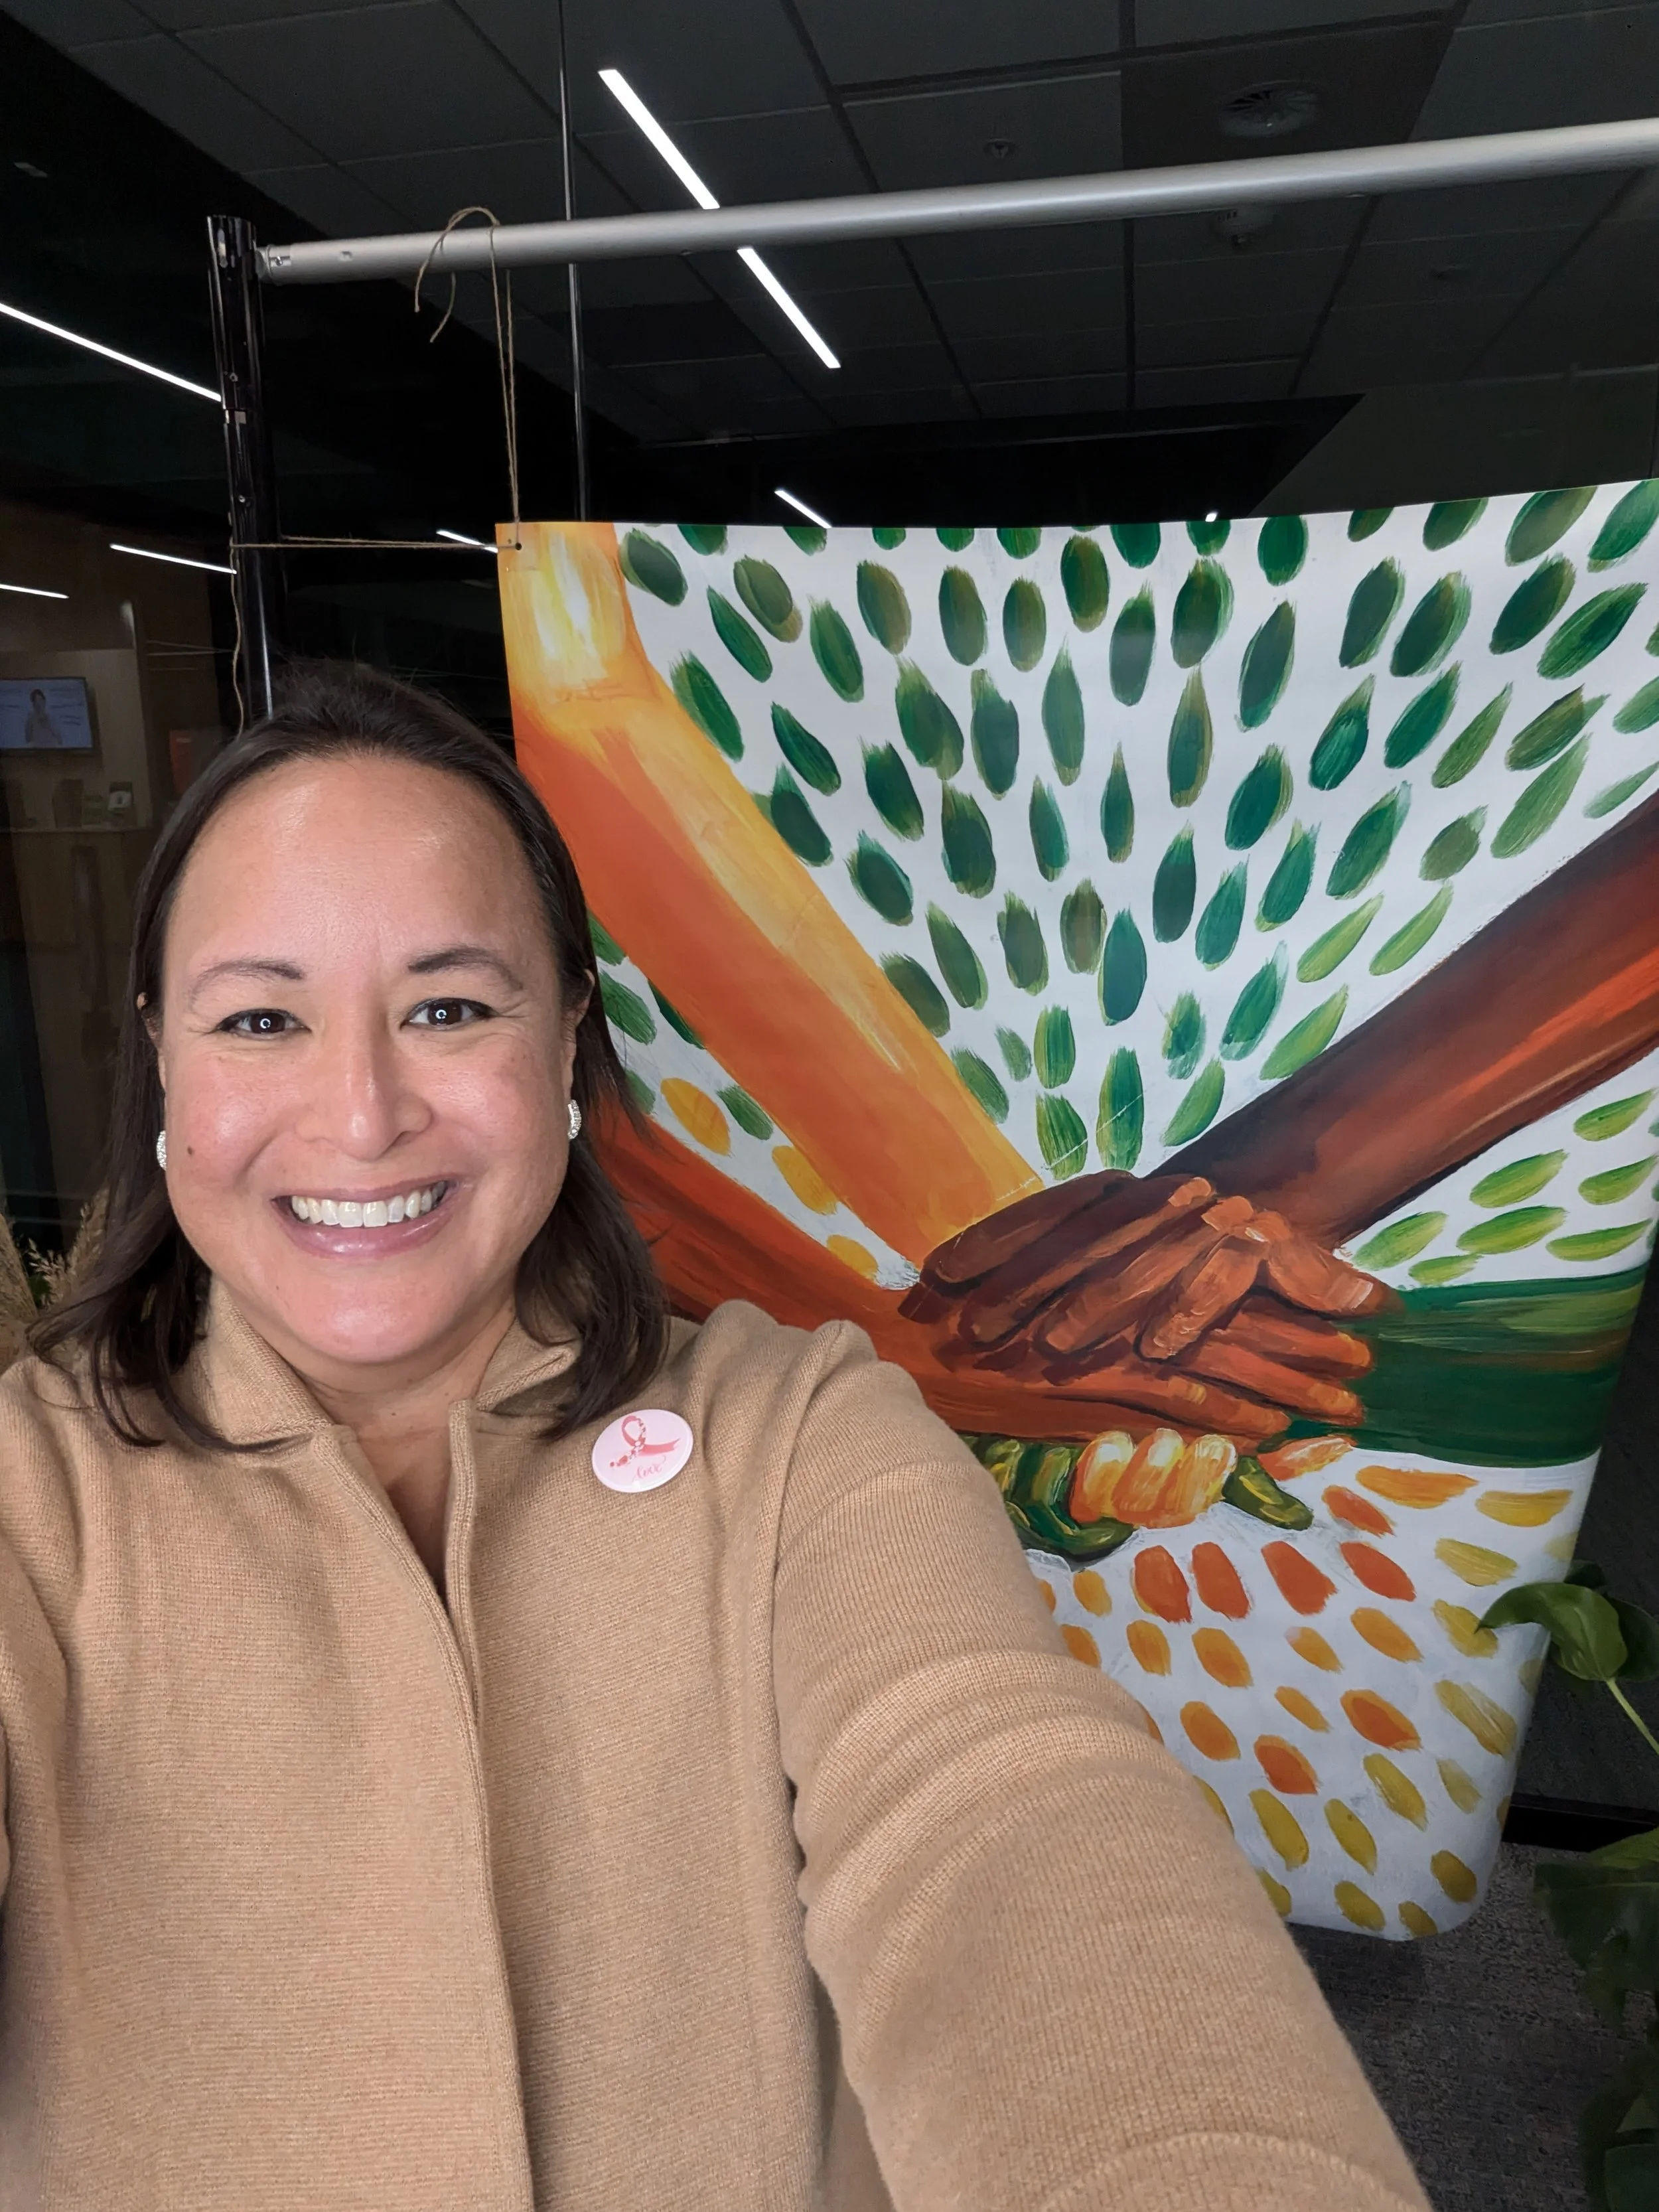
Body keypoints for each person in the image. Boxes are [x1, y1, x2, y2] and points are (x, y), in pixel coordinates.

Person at [0, 662, 1429, 2212]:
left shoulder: (802, 1436)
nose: (358, 1112)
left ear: (564, 1045)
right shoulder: (29, 1501)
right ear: (163, 1057)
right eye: (261, 1016)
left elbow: (999, 1821)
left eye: (450, 1007)